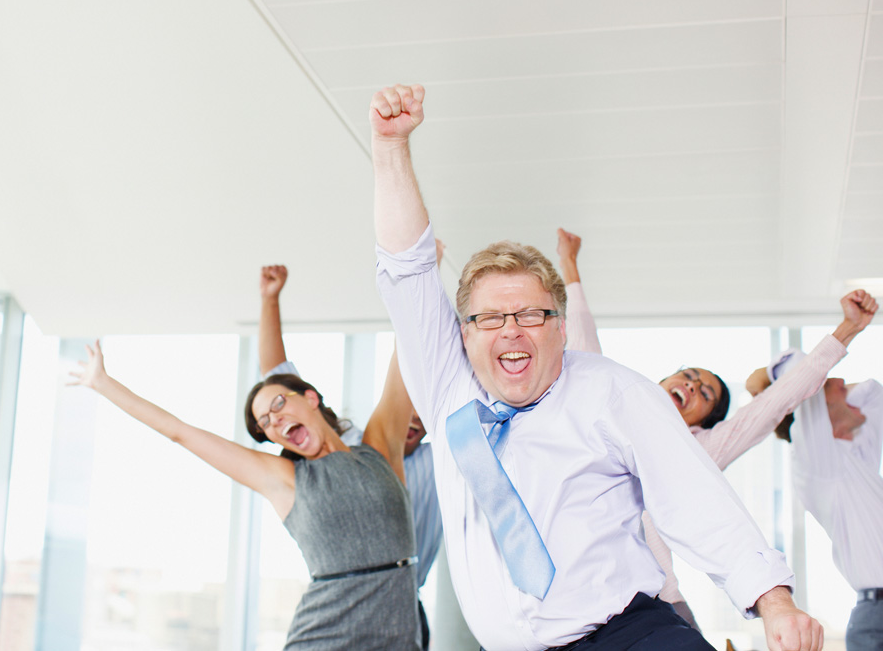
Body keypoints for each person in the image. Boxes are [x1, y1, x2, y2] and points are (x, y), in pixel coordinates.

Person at [370, 82, 823, 651]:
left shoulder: (615, 392)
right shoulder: (447, 392)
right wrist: (390, 149)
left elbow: (695, 499)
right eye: (491, 318)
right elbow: (407, 270)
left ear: (561, 327)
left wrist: (774, 602)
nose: (511, 329)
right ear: (464, 332)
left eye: (531, 314)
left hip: (629, 636)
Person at [557, 227, 878, 630]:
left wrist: (848, 329)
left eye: (703, 392)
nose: (691, 385)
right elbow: (585, 349)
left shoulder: (697, 449)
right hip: (578, 606)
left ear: (701, 423)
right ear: (662, 381)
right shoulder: (610, 412)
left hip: (658, 607)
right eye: (687, 376)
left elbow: (777, 400)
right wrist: (570, 266)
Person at [69, 339, 422, 650]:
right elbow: (181, 433)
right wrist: (103, 384)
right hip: (326, 637)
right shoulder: (286, 479)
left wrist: (417, 270)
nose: (275, 420)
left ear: (311, 398)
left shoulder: (379, 448)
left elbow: (405, 347)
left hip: (400, 632)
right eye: (266, 423)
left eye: (279, 404)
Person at [257, 263, 442, 647]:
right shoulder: (352, 446)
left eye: (423, 415)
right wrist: (270, 300)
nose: (414, 418)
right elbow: (276, 382)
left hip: (404, 600)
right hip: (345, 596)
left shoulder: (439, 462)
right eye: (409, 409)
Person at [753, 323, 883, 651]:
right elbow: (795, 365)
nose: (843, 383)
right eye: (833, 385)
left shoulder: (854, 461)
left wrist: (833, 399)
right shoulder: (818, 464)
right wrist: (777, 386)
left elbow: (874, 392)